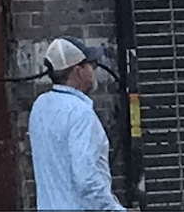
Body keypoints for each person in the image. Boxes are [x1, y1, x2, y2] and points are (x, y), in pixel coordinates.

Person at [29, 36, 126, 211]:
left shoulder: (40, 107)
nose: (93, 70)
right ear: (78, 70)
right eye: (91, 64)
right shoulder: (80, 113)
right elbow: (87, 180)